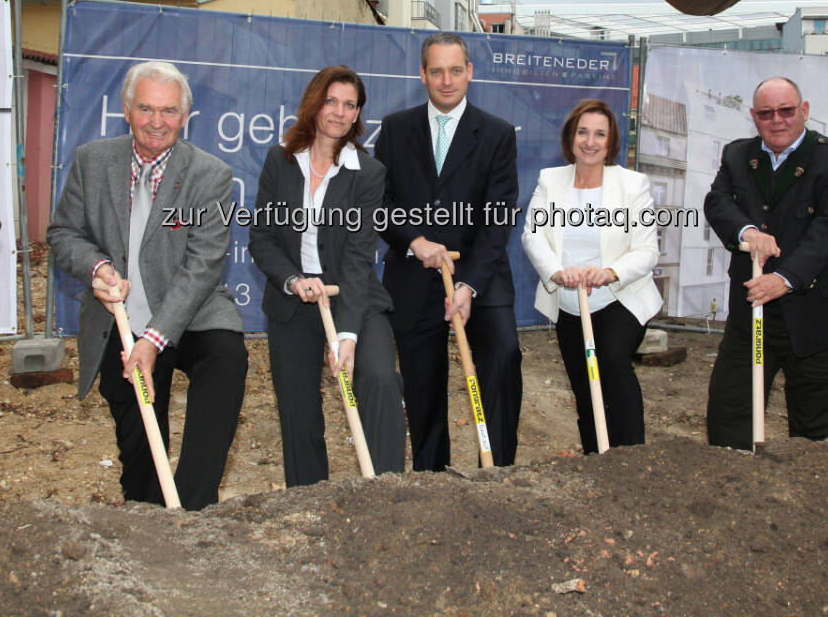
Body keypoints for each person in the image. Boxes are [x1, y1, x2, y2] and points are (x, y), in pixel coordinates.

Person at [48, 60, 247, 509]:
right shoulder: (92, 161)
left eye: (169, 111)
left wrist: (155, 339)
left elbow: (204, 265)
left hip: (191, 315)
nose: (157, 122)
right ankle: (148, 514)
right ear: (126, 109)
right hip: (121, 321)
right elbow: (62, 234)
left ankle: (195, 507)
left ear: (185, 116)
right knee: (140, 438)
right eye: (146, 109)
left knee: (227, 362)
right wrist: (97, 267)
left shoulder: (210, 175)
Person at [249, 65, 407, 485]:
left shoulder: (368, 174)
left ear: (358, 115)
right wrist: (293, 279)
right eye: (331, 101)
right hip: (294, 298)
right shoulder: (279, 160)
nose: (339, 112)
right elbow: (262, 238)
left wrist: (348, 336)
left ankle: (388, 488)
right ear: (315, 103)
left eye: (350, 105)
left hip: (353, 296)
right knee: (298, 405)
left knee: (377, 376)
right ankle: (308, 498)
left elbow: (358, 257)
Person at [374, 32, 521, 470]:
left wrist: (469, 285)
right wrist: (414, 241)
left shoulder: (496, 134)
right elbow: (380, 205)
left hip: (481, 276)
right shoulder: (396, 128)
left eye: (455, 70)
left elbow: (498, 218)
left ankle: (497, 470)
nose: (446, 80)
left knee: (503, 355)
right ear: (422, 74)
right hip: (413, 277)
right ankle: (431, 478)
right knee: (423, 386)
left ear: (470, 73)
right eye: (436, 71)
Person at [703, 76, 828, 450]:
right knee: (730, 419)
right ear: (753, 117)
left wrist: (785, 278)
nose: (776, 120)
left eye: (786, 110)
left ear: (804, 111)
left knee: (811, 435)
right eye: (766, 113)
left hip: (822, 317)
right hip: (753, 314)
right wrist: (746, 231)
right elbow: (718, 202)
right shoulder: (737, 155)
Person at [521, 99, 661, 454]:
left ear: (611, 141)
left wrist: (610, 272)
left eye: (600, 134)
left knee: (611, 362)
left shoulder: (632, 185)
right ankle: (595, 460)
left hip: (619, 298)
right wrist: (556, 271)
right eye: (583, 132)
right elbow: (533, 235)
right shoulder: (551, 181)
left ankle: (631, 456)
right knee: (584, 386)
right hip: (570, 303)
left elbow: (647, 251)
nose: (590, 141)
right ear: (571, 137)